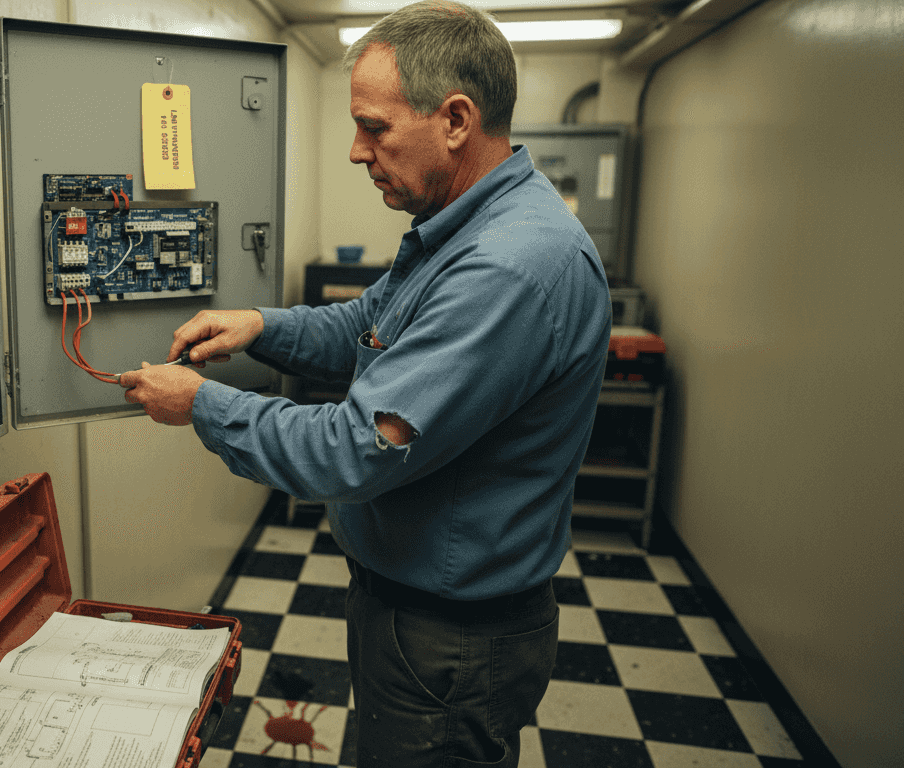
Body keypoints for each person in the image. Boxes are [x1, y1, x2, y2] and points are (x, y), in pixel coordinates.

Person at [117, 1, 611, 765]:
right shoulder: (461, 229)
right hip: (412, 611)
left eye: (374, 127)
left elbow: (357, 449)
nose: (356, 151)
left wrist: (204, 407)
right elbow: (366, 330)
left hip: (452, 639)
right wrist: (262, 324)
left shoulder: (510, 265)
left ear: (455, 119)